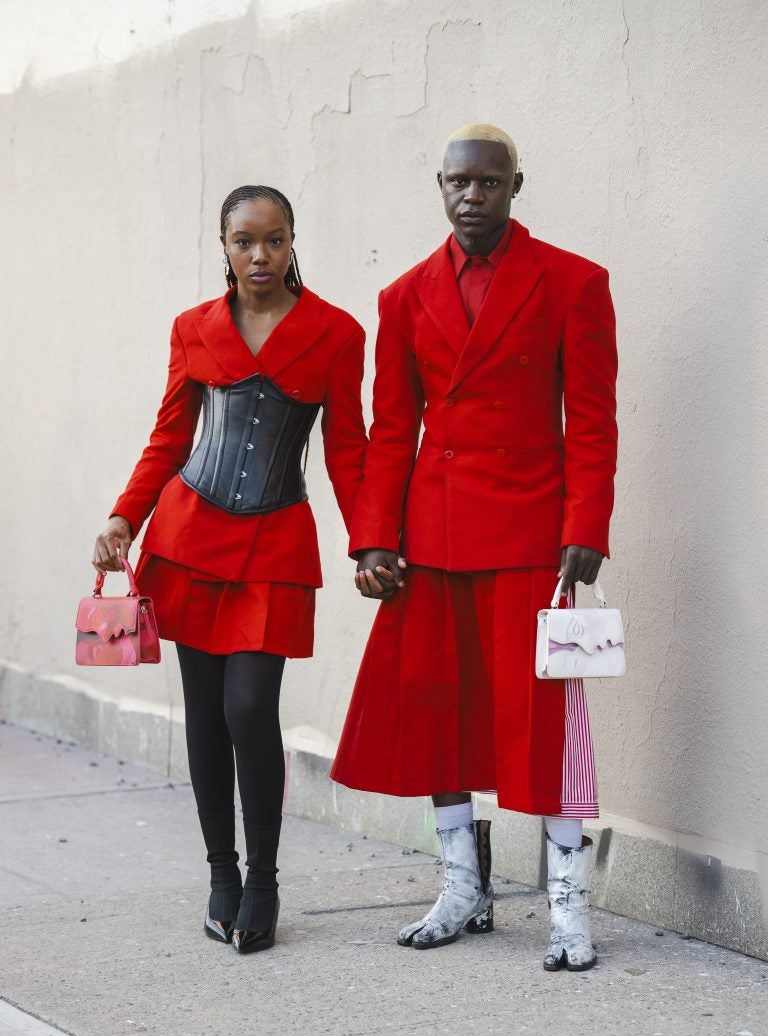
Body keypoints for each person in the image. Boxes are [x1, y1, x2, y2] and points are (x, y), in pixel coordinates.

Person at [331, 125, 618, 970]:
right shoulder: (404, 295)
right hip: (435, 535)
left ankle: (568, 904)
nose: (472, 197)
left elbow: (593, 422)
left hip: (535, 535)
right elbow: (392, 432)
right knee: (436, 712)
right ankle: (463, 886)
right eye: (459, 183)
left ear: (516, 186)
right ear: (440, 185)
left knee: (543, 719)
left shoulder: (573, 282)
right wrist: (373, 538)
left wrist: (586, 527)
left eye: (489, 183)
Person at [93, 185, 367, 954]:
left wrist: (371, 541)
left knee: (251, 707)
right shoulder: (194, 328)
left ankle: (267, 878)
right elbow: (170, 434)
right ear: (224, 244)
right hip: (187, 542)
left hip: (275, 543)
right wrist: (124, 515)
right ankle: (222, 875)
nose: (259, 254)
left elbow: (350, 448)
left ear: (292, 243)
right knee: (209, 712)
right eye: (244, 240)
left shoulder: (336, 333)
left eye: (273, 240)